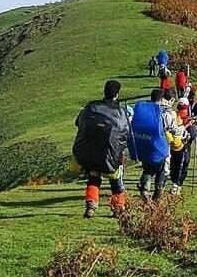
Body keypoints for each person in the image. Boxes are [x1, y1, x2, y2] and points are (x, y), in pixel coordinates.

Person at [73, 80, 130, 218]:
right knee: (116, 181)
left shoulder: (91, 107)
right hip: (111, 156)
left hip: (91, 154)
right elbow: (126, 133)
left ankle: (91, 206)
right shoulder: (121, 112)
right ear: (117, 94)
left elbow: (78, 122)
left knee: (93, 178)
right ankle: (118, 208)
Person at [131, 89, 171, 202]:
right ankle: (158, 194)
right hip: (158, 148)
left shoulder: (143, 110)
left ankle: (144, 188)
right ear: (162, 99)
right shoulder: (162, 112)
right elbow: (171, 127)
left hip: (143, 146)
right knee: (162, 170)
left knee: (147, 169)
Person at [169, 115, 197, 195]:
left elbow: (194, 135)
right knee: (180, 168)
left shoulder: (189, 128)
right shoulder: (182, 128)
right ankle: (176, 185)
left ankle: (177, 185)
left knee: (178, 167)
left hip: (178, 150)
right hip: (181, 150)